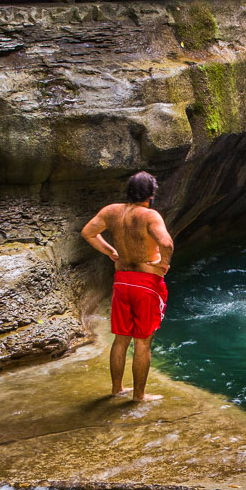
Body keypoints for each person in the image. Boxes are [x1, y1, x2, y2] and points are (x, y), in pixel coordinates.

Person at [81, 171, 174, 402]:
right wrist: (163, 263)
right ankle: (139, 396)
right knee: (142, 342)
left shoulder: (111, 211)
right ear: (151, 194)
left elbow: (88, 232)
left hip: (122, 280)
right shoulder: (150, 216)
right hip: (147, 283)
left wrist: (110, 251)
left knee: (121, 338)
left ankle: (116, 389)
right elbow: (166, 243)